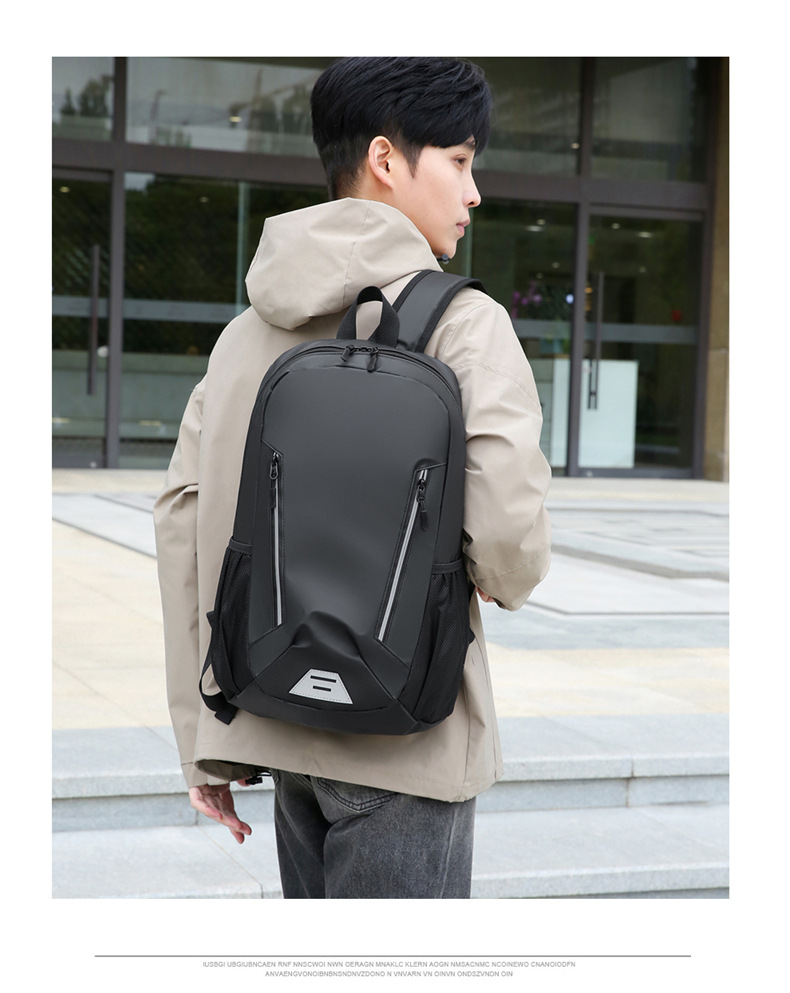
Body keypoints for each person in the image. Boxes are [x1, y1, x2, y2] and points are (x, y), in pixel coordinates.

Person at [153, 56, 551, 899]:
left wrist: (202, 739)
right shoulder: (464, 323)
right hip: (407, 735)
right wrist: (502, 575)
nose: (473, 191)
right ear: (384, 158)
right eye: (459, 160)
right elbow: (510, 540)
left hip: (277, 716)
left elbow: (184, 522)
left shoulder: (242, 336)